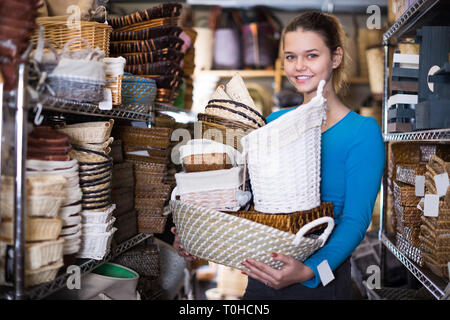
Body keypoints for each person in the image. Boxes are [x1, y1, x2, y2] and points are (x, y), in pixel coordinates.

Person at [171, 10, 385, 300]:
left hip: (322, 282)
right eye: (290, 57)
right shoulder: (273, 123)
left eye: (311, 56)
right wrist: (200, 235)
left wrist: (309, 272)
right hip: (263, 278)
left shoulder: (362, 131)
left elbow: (356, 222)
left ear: (335, 58)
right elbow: (248, 204)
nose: (299, 67)